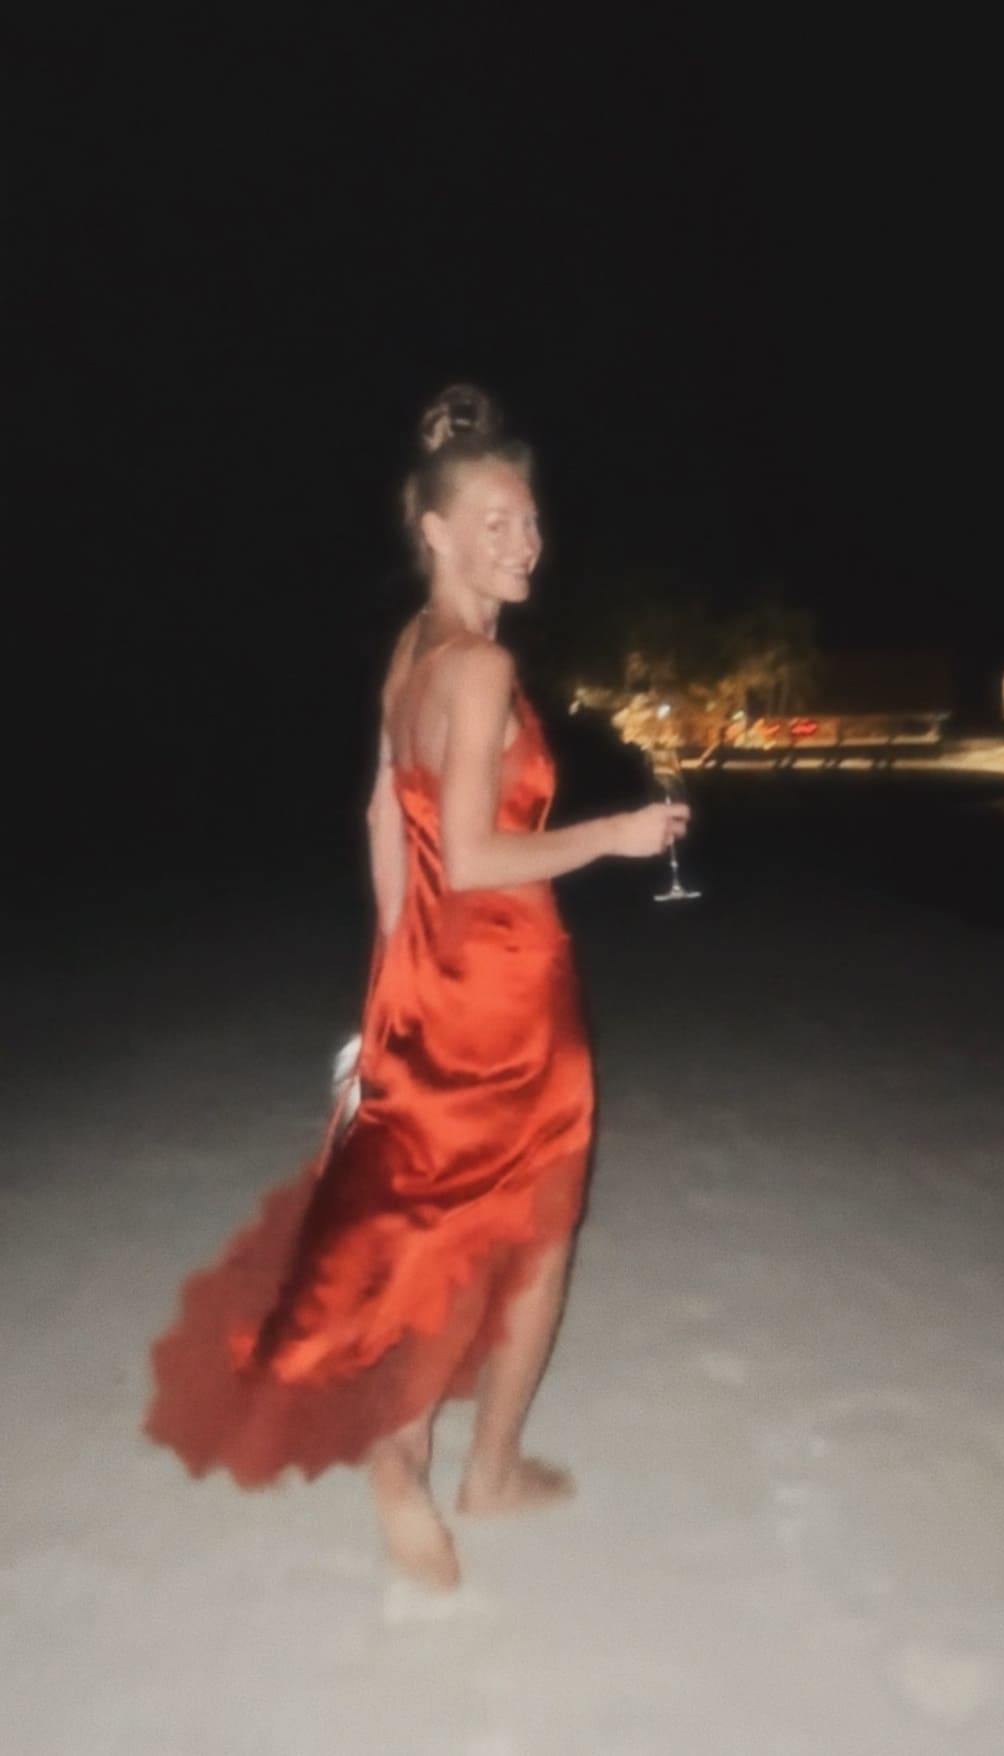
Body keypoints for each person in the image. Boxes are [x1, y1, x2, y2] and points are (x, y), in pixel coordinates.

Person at [142, 384, 689, 1591]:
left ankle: (404, 1460)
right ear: (434, 531)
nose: (524, 540)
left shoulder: (409, 652)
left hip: (429, 978)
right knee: (534, 1234)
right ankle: (479, 1471)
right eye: (494, 521)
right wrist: (616, 835)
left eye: (528, 519)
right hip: (508, 988)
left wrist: (393, 972)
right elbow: (481, 854)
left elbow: (384, 815)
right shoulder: (479, 666)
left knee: (433, 1226)